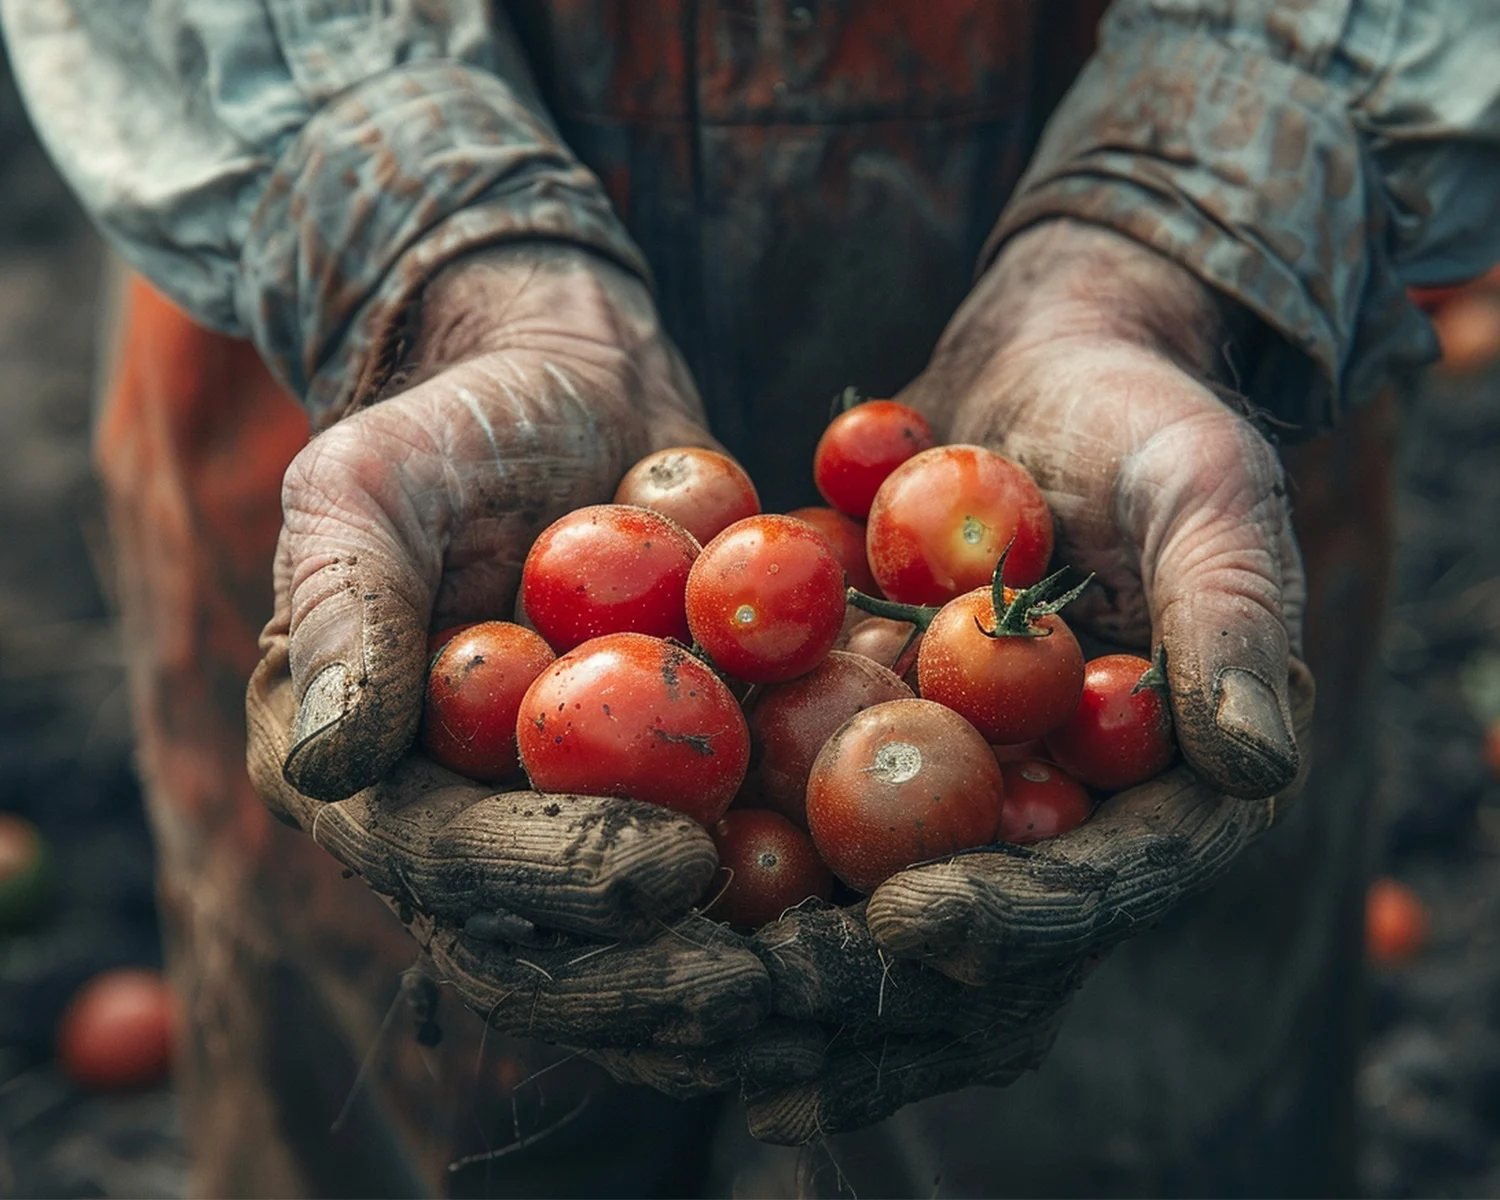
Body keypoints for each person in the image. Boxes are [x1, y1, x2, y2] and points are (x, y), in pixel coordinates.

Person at [4, 1, 1498, 1194]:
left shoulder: (921, 623)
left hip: (1165, 396)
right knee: (413, 1101)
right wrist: (425, 240)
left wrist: (1185, 236)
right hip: (373, 381)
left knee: (1112, 1118)